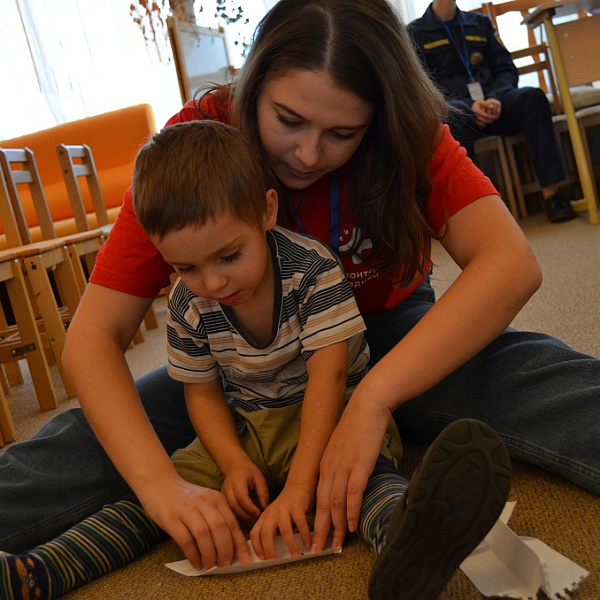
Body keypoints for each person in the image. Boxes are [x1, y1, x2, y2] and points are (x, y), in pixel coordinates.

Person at [1, 0, 599, 583]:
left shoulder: (409, 130)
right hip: (241, 368)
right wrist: (160, 487)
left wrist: (370, 402)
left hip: (382, 339)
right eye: (288, 121)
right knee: (89, 441)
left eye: (343, 133)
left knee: (532, 377)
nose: (309, 154)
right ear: (251, 88)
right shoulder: (199, 143)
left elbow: (511, 265)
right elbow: (90, 343)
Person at [0, 120, 511, 600]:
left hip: (329, 416)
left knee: (360, 477)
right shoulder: (188, 303)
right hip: (246, 426)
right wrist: (232, 462)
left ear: (267, 211)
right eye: (186, 267)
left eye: (228, 256)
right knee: (151, 502)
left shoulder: (311, 268)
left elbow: (329, 377)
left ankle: (407, 536)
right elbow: (200, 391)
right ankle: (40, 570)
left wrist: (300, 487)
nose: (213, 283)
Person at [407, 0, 577, 223]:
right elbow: (424, 87)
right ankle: (475, 212)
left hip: (494, 103)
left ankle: (552, 196)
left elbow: (506, 68)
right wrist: (469, 103)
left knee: (531, 97)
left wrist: (495, 97)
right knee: (455, 114)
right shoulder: (415, 33)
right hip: (458, 110)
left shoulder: (480, 23)